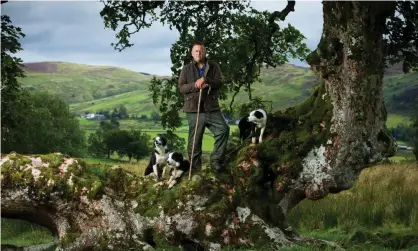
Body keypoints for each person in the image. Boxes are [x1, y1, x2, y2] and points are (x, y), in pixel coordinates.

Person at [178, 41, 230, 172]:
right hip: (194, 109)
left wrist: (206, 80)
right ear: (192, 53)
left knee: (223, 129)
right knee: (195, 141)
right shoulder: (186, 69)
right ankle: (195, 169)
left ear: (204, 52)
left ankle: (216, 160)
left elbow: (219, 82)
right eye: (196, 51)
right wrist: (195, 85)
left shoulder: (213, 66)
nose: (198, 53)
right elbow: (182, 88)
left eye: (201, 51)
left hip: (211, 107)